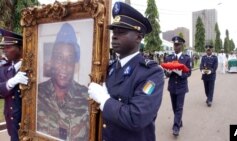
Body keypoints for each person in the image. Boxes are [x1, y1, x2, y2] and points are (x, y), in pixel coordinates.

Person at [88, 2, 164, 141]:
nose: (114, 36)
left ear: (139, 37)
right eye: (114, 31)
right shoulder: (110, 68)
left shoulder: (152, 73)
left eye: (121, 32)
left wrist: (104, 99)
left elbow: (137, 117)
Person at [37, 23, 89, 141]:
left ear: (75, 65)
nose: (64, 66)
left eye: (70, 59)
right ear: (52, 60)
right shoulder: (37, 93)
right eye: (59, 57)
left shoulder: (87, 97)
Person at [0, 28, 29, 141]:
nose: (4, 51)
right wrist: (11, 82)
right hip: (12, 123)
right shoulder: (4, 68)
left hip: (28, 123)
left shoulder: (32, 67)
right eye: (4, 48)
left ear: (20, 48)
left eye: (8, 47)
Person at [164, 36, 191, 136]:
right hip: (172, 86)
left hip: (181, 86)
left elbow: (188, 73)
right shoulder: (168, 58)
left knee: (179, 107)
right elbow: (166, 74)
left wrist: (180, 73)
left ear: (182, 46)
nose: (176, 47)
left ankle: (176, 127)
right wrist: (168, 72)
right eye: (174, 45)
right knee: (174, 107)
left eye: (178, 45)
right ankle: (179, 121)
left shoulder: (186, 58)